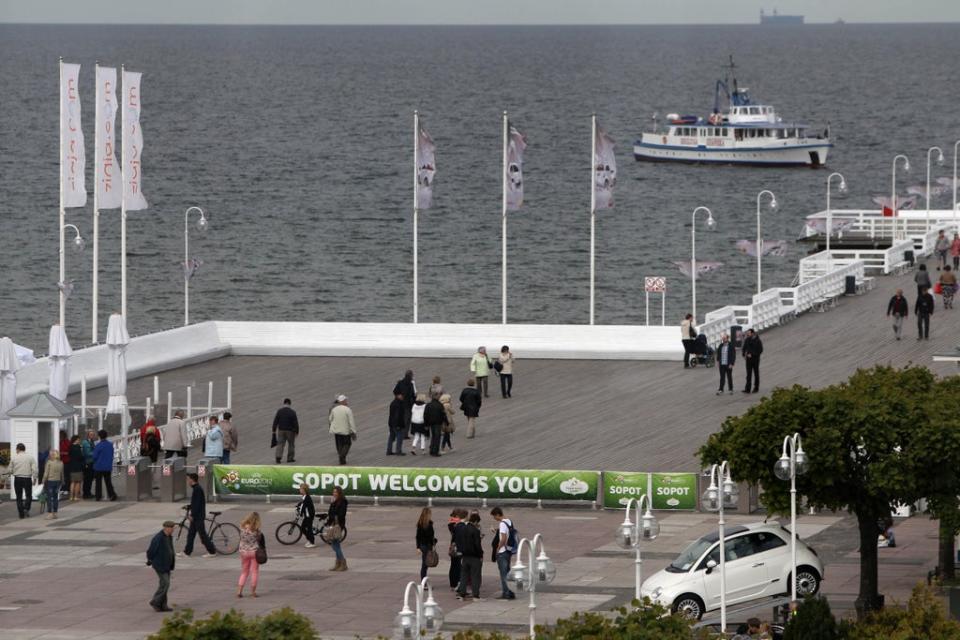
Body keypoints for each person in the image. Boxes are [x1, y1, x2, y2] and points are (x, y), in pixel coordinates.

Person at [180, 472, 217, 557]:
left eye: (188, 479)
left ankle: (212, 552)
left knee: (203, 535)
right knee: (191, 535)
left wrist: (192, 515)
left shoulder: (197, 489)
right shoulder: (196, 489)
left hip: (198, 517)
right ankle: (187, 552)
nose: (187, 481)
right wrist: (188, 506)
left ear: (192, 480)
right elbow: (195, 503)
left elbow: (197, 505)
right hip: (197, 516)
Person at [145, 520, 176, 612]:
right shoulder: (158, 538)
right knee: (165, 583)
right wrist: (150, 560)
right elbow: (151, 551)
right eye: (172, 528)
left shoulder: (168, 537)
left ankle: (163, 605)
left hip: (167, 564)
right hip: (160, 565)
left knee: (164, 584)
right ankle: (155, 601)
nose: (173, 530)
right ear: (166, 528)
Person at [456, 511, 484, 600]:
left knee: (464, 575)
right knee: (475, 576)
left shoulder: (463, 528)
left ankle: (462, 594)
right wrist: (480, 555)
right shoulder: (475, 531)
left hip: (464, 556)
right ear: (475, 522)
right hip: (474, 556)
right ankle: (475, 595)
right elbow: (477, 545)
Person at [490, 506, 517, 600]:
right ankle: (511, 591)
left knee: (503, 574)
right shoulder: (509, 521)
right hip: (509, 550)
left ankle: (506, 593)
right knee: (508, 572)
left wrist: (498, 548)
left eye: (494, 516)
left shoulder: (502, 524)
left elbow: (504, 538)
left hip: (503, 552)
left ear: (497, 514)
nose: (494, 518)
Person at [237, 511, 264, 598]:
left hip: (243, 551)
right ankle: (253, 592)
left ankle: (239, 591)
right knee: (254, 572)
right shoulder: (257, 531)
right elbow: (260, 539)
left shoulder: (242, 528)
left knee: (244, 571)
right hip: (254, 552)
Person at [329, 395, 357, 465]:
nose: (346, 402)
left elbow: (330, 419)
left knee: (339, 444)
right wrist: (353, 431)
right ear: (342, 401)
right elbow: (351, 422)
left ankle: (342, 459)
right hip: (345, 430)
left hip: (336, 430)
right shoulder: (347, 409)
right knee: (347, 443)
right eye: (345, 400)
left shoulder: (334, 409)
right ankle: (342, 456)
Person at [11, 443, 37, 519]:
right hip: (27, 478)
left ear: (18, 449)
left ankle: (21, 513)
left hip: (18, 478)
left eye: (16, 449)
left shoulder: (14, 458)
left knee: (19, 496)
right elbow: (34, 469)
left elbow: (10, 469)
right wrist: (34, 478)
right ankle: (26, 509)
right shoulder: (30, 457)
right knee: (28, 495)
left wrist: (13, 473)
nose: (16, 450)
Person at [326, 485, 348, 571]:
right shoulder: (334, 501)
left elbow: (341, 514)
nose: (334, 493)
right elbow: (329, 512)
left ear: (339, 493)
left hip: (338, 525)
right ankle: (338, 563)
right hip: (333, 524)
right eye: (333, 492)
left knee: (336, 544)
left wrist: (333, 514)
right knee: (335, 544)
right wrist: (332, 504)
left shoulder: (343, 501)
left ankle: (342, 563)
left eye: (335, 492)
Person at [272, 398, 300, 464]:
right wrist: (297, 431)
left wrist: (274, 430)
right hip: (290, 431)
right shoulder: (292, 412)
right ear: (290, 404)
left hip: (281, 430)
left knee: (280, 444)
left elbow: (275, 421)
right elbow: (295, 423)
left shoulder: (279, 411)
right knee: (291, 444)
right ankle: (290, 458)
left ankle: (278, 458)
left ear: (284, 403)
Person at [93, 430, 117, 501]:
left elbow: (94, 456)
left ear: (99, 436)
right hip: (107, 466)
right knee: (108, 482)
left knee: (98, 483)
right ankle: (112, 495)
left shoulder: (98, 445)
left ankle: (98, 496)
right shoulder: (110, 445)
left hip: (98, 466)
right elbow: (112, 454)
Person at [393, 370, 416, 438]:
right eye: (412, 375)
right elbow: (395, 391)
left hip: (408, 404)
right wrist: (398, 396)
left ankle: (405, 434)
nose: (412, 377)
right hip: (404, 404)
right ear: (410, 376)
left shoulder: (409, 383)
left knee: (408, 419)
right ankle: (402, 434)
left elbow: (413, 395)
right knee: (406, 419)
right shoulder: (401, 383)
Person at [448, 508, 467, 590]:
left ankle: (453, 583)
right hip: (457, 547)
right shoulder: (454, 524)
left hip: (454, 546)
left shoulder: (454, 523)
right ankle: (456, 583)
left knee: (454, 565)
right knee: (457, 566)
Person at [42, 449, 64, 519]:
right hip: (58, 481)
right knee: (55, 497)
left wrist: (43, 480)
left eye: (50, 454)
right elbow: (62, 474)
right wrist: (62, 481)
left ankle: (50, 513)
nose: (49, 455)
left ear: (53, 455)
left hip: (50, 481)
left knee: (49, 497)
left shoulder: (49, 462)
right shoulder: (61, 463)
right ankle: (55, 512)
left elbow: (46, 473)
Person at [416, 507, 437, 579]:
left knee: (425, 565)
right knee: (425, 565)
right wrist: (434, 540)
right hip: (427, 546)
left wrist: (418, 547)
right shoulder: (428, 525)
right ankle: (423, 582)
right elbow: (429, 537)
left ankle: (423, 581)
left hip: (423, 545)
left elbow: (418, 537)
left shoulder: (420, 524)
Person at [742, 328, 764, 394]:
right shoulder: (747, 340)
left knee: (756, 373)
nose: (747, 334)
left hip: (755, 360)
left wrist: (752, 354)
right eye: (747, 333)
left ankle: (756, 388)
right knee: (748, 374)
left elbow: (760, 350)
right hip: (748, 360)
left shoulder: (758, 340)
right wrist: (744, 354)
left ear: (752, 333)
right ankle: (747, 388)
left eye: (749, 333)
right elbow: (744, 348)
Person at [297, 483, 317, 548]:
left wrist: (300, 513)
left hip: (309, 515)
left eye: (300, 488)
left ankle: (312, 542)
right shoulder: (304, 496)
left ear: (304, 490)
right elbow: (301, 504)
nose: (299, 490)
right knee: (303, 528)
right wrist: (298, 506)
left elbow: (303, 506)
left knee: (309, 529)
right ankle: (309, 539)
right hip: (307, 515)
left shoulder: (307, 497)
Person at [67, 434, 84, 501]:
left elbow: (69, 455)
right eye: (78, 439)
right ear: (76, 440)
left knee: (72, 482)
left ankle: (71, 496)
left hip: (71, 466)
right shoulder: (78, 447)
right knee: (78, 482)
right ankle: (76, 496)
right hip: (78, 466)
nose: (79, 441)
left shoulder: (70, 447)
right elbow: (80, 457)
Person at [81, 430, 96, 499]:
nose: (92, 436)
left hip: (92, 462)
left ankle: (88, 492)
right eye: (91, 434)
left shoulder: (92, 442)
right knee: (87, 479)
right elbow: (87, 453)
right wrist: (95, 453)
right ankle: (85, 493)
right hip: (87, 463)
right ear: (88, 435)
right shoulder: (85, 442)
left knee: (90, 479)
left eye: (93, 434)